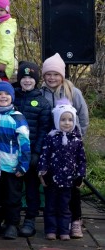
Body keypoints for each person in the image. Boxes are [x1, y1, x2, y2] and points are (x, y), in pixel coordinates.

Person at [41, 52, 89, 238]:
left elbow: (83, 117)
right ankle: (53, 225)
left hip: (71, 147)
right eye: (48, 74)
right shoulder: (41, 93)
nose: (52, 78)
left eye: (56, 74)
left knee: (72, 187)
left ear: (62, 75)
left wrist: (76, 138)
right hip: (51, 146)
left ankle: (75, 220)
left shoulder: (73, 92)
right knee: (53, 189)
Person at [0, 81, 30, 239]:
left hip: (11, 166)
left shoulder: (17, 117)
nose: (3, 96)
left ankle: (12, 224)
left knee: (12, 197)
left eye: (6, 94)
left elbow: (24, 142)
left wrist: (23, 164)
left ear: (12, 97)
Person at [12, 62, 50, 237]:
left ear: (36, 80)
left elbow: (44, 130)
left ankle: (30, 220)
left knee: (32, 189)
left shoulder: (42, 103)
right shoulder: (12, 97)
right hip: (12, 153)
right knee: (13, 189)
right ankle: (12, 221)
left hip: (31, 154)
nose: (27, 81)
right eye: (24, 77)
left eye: (31, 78)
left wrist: (36, 153)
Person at [38, 102, 87, 241]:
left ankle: (64, 230)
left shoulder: (77, 139)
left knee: (65, 207)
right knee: (50, 206)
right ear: (56, 121)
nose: (67, 123)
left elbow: (82, 160)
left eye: (70, 120)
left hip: (68, 181)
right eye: (63, 119)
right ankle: (51, 230)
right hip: (52, 180)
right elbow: (44, 156)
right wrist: (43, 173)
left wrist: (80, 176)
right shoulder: (51, 137)